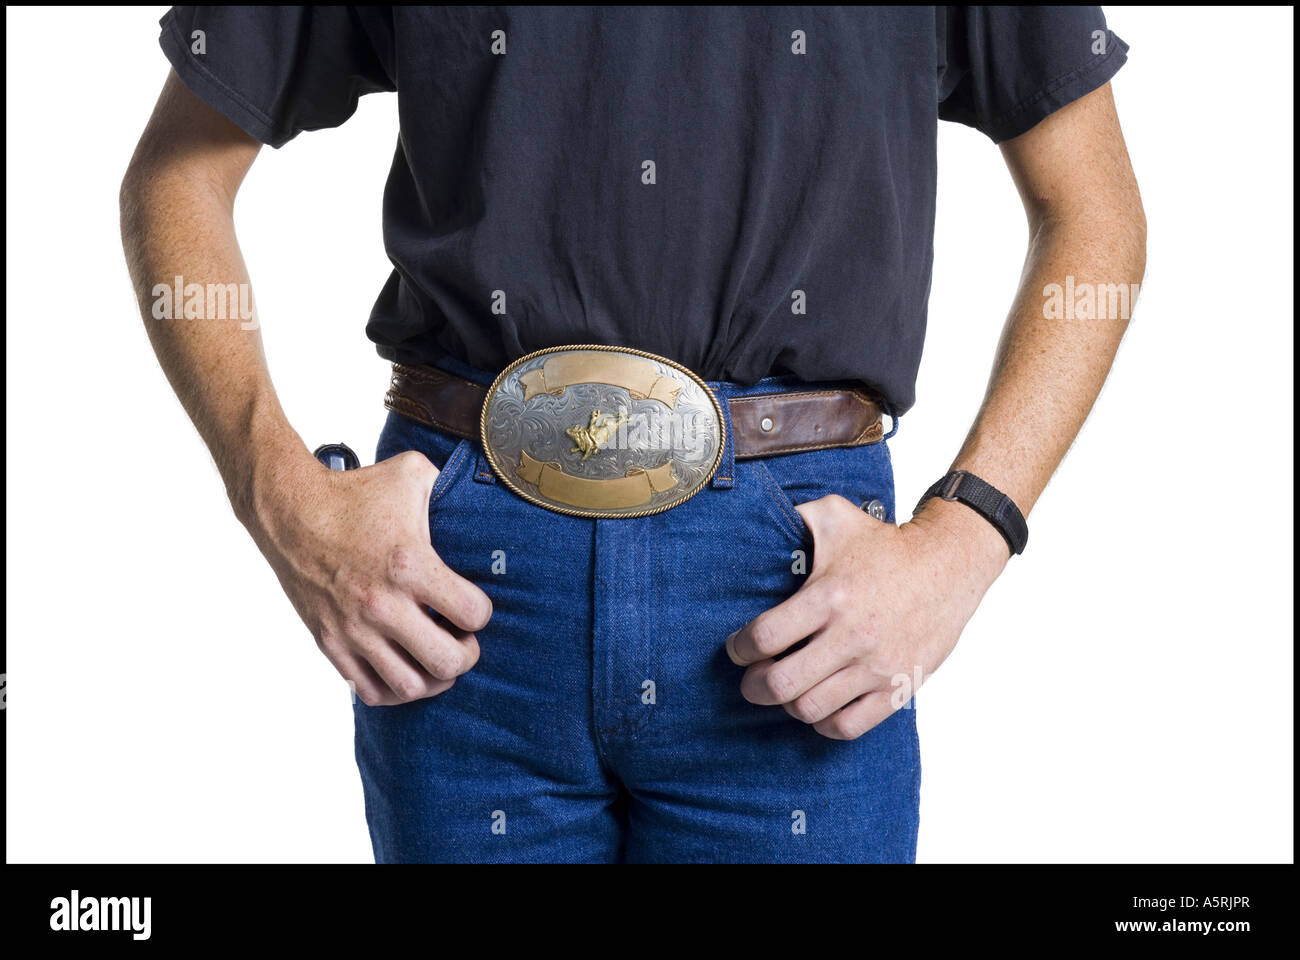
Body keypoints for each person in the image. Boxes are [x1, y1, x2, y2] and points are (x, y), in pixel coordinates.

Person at [121, 6, 1145, 863]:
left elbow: (1093, 208)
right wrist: (278, 494)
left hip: (800, 588)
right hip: (466, 588)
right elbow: (178, 175)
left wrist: (968, 536)